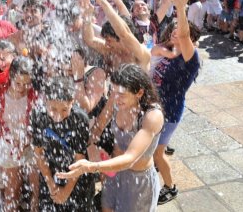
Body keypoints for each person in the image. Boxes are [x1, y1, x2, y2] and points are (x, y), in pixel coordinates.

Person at [56, 64, 164, 212]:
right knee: (106, 208)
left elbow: (130, 158)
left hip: (137, 182)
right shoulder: (116, 100)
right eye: (113, 91)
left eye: (122, 94)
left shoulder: (152, 116)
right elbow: (99, 127)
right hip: (112, 173)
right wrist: (89, 147)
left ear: (139, 92)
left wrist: (92, 166)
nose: (116, 98)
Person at [152, 0, 201, 205]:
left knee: (158, 154)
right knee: (154, 151)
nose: (174, 33)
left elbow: (183, 35)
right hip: (157, 109)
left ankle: (170, 187)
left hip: (170, 112)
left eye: (178, 32)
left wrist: (181, 7)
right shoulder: (170, 52)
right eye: (172, 31)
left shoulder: (190, 60)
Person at [32, 76, 95, 211]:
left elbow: (79, 158)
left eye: (64, 110)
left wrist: (66, 191)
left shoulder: (79, 119)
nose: (58, 116)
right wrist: (51, 185)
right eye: (53, 109)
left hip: (77, 178)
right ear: (46, 101)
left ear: (72, 102)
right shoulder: (39, 116)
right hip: (50, 174)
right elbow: (38, 153)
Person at [0, 56, 39, 211]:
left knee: (35, 186)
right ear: (10, 76)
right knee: (12, 189)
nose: (22, 87)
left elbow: (39, 125)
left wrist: (27, 140)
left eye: (26, 83)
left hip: (30, 144)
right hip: (7, 146)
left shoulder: (35, 96)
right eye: (18, 83)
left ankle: (34, 204)